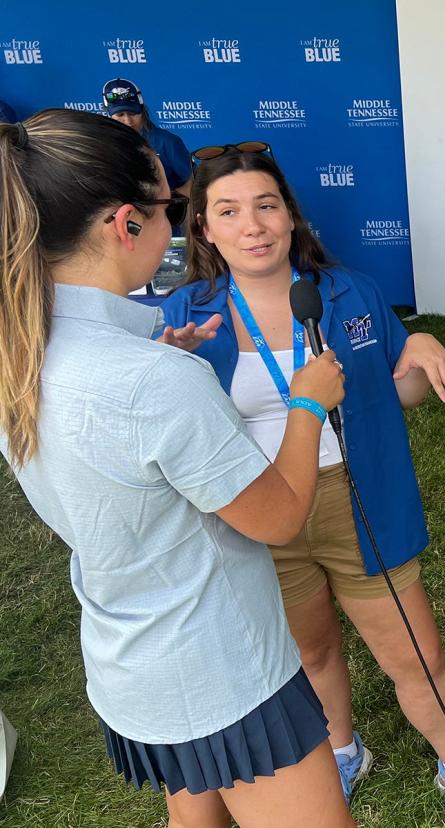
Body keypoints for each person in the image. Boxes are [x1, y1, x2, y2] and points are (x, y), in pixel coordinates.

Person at [159, 144, 445, 816]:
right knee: (311, 652)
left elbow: (407, 393)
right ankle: (342, 750)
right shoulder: (187, 315)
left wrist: (418, 353)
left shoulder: (347, 291)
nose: (252, 225)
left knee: (417, 654)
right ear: (204, 229)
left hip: (355, 501)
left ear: (290, 217)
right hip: (258, 510)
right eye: (229, 211)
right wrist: (171, 369)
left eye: (266, 206)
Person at [0, 110, 353, 826]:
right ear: (126, 224)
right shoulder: (153, 384)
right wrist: (307, 405)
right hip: (223, 672)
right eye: (175, 208)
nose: (178, 223)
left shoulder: (23, 353)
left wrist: (167, 360)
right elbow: (281, 515)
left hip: (131, 672)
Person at [102, 78, 192, 198]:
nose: (128, 121)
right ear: (109, 115)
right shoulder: (104, 144)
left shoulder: (167, 142)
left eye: (132, 113)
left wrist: (168, 200)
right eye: (120, 115)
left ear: (142, 110)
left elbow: (193, 183)